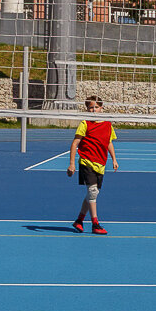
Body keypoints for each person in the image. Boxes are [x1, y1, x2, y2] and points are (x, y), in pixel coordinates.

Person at [67, 95, 117, 234]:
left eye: (96, 107)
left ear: (101, 108)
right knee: (93, 192)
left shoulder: (107, 124)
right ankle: (95, 224)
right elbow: (75, 143)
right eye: (90, 108)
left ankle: (79, 220)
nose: (93, 110)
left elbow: (109, 142)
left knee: (92, 194)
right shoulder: (85, 124)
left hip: (101, 163)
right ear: (87, 110)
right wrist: (72, 164)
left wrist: (114, 159)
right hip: (86, 161)